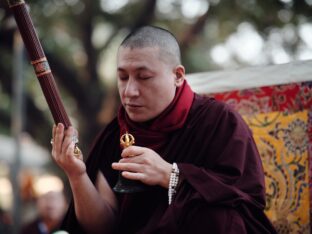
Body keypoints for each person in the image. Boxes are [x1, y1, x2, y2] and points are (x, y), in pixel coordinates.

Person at [51, 25, 277, 233]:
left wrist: (170, 175)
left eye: (144, 77)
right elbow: (103, 229)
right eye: (122, 77)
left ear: (177, 76)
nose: (129, 91)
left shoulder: (218, 122)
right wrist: (76, 175)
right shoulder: (114, 135)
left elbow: (244, 204)